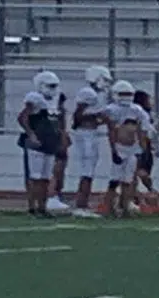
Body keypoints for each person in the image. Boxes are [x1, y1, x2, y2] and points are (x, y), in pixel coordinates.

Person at [17, 70, 67, 218]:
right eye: (49, 86)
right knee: (35, 176)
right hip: (37, 144)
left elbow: (59, 122)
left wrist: (61, 138)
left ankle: (42, 207)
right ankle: (33, 208)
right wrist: (31, 135)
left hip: (50, 143)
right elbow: (22, 117)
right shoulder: (35, 99)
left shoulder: (56, 101)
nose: (52, 89)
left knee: (46, 177)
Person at [68, 66, 116, 216]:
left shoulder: (98, 94)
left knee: (90, 169)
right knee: (87, 170)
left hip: (92, 132)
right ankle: (81, 205)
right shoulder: (87, 93)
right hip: (85, 133)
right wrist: (96, 117)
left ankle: (83, 204)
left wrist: (101, 119)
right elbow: (78, 116)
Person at [105, 86, 146, 218]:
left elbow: (140, 130)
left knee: (128, 181)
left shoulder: (137, 110)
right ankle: (110, 207)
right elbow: (111, 131)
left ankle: (125, 206)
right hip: (120, 148)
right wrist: (113, 150)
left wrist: (142, 148)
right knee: (114, 180)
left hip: (132, 149)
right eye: (123, 93)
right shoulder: (111, 109)